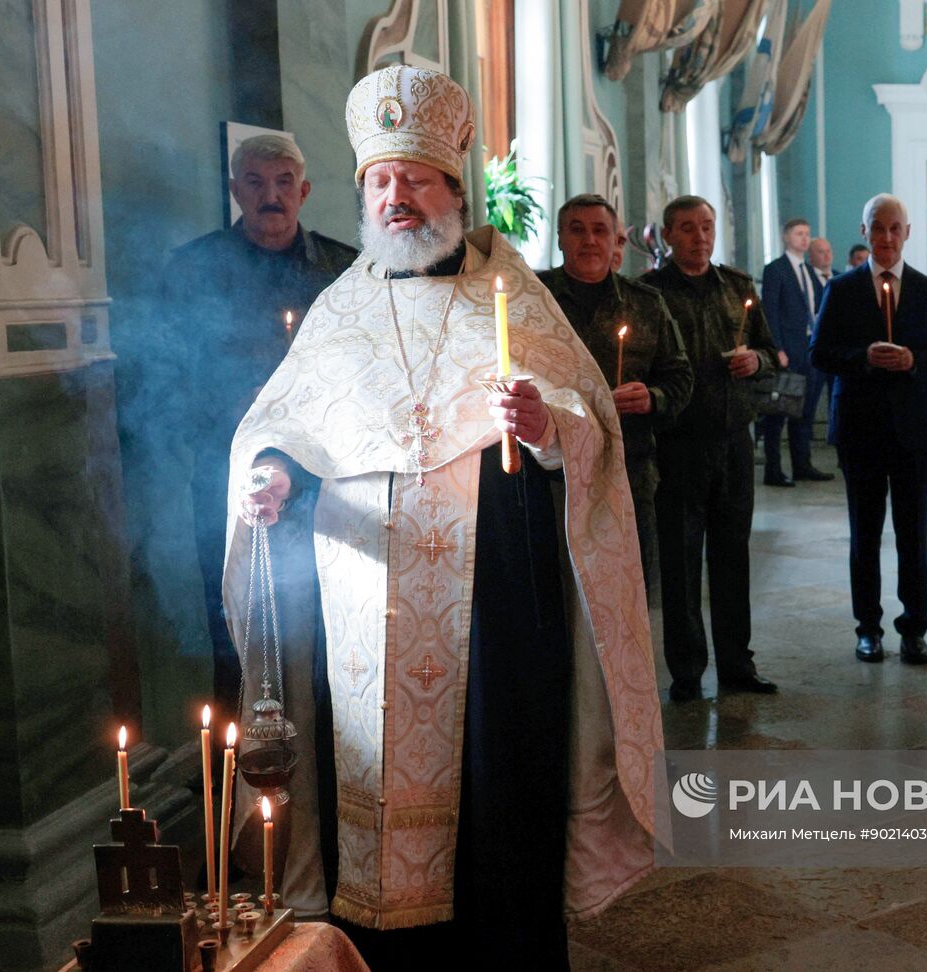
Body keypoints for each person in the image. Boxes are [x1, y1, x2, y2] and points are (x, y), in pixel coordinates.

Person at [222, 65, 661, 967]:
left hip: (496, 609)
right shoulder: (341, 310)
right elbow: (282, 427)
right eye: (381, 182)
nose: (397, 199)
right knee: (365, 795)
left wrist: (546, 426)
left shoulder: (516, 297)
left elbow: (593, 434)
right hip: (359, 611)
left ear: (457, 191)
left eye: (416, 179)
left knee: (497, 796)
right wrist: (270, 475)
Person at [151, 134, 355, 741]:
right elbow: (162, 371)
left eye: (284, 182)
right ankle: (238, 767)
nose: (272, 195)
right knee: (236, 617)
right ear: (235, 189)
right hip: (226, 472)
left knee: (323, 615)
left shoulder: (341, 269)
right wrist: (224, 416)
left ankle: (325, 757)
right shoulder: (193, 268)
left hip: (325, 473)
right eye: (257, 182)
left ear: (305, 191)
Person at [810, 194, 927, 665]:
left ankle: (914, 628)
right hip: (861, 428)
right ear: (864, 231)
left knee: (913, 535)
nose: (887, 237)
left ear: (908, 233)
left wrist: (915, 360)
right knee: (865, 535)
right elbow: (819, 353)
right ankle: (868, 629)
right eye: (878, 228)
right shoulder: (843, 288)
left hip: (916, 431)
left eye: (895, 228)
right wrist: (862, 358)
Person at [643, 195, 781, 702]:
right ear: (668, 236)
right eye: (687, 228)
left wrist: (757, 364)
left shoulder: (737, 288)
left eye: (706, 227)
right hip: (677, 445)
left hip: (733, 444)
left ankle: (737, 665)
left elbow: (772, 351)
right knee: (680, 566)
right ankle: (686, 672)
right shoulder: (649, 294)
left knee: (732, 559)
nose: (699, 237)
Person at [538, 193, 693, 592]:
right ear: (559, 238)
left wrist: (653, 398)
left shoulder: (647, 303)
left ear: (615, 241)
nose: (589, 240)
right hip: (554, 477)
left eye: (599, 230)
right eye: (577, 230)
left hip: (629, 473)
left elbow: (679, 377)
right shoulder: (535, 300)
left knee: (627, 594)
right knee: (558, 594)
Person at [760, 218, 834, 486]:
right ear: (786, 237)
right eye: (799, 234)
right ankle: (774, 470)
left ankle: (803, 465)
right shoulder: (776, 270)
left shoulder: (808, 270)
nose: (805, 238)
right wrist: (777, 348)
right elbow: (770, 312)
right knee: (778, 412)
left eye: (807, 233)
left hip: (809, 349)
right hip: (788, 350)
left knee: (805, 411)